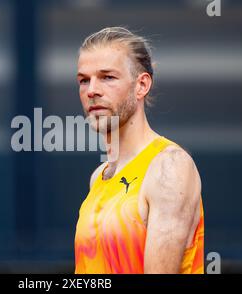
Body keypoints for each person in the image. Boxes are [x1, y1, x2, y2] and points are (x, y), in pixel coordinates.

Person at [74, 27, 204, 274]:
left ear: (141, 85)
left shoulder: (170, 165)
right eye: (83, 80)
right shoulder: (99, 177)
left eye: (107, 77)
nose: (91, 90)